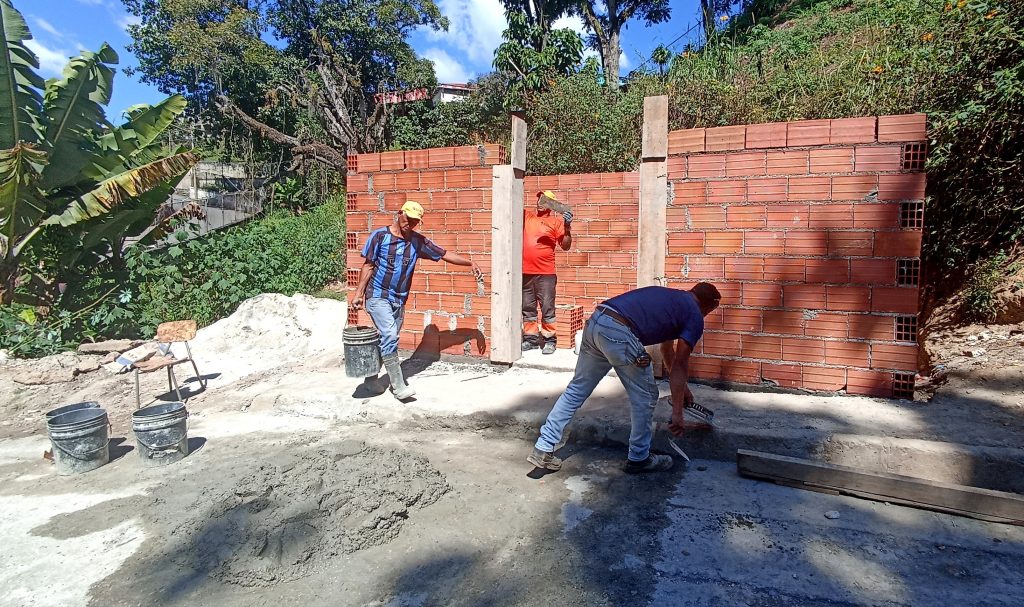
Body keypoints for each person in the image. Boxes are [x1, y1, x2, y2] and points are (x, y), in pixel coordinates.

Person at [528, 283, 722, 473]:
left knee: (576, 390)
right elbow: (681, 364)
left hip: (598, 320)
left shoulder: (673, 298)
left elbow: (666, 350)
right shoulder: (695, 315)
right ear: (710, 306)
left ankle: (543, 446)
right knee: (645, 397)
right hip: (619, 332)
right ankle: (639, 458)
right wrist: (678, 413)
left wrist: (683, 390)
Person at [351, 200, 483, 400]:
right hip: (377, 295)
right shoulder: (379, 236)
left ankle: (371, 380)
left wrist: (469, 263)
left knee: (387, 338)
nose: (410, 224)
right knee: (389, 335)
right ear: (400, 213)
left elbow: (444, 253)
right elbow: (368, 265)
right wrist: (358, 294)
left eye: (415, 221)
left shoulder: (417, 242)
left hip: (399, 300)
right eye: (408, 219)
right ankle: (398, 386)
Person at [523, 190, 573, 355]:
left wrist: (567, 227)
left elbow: (565, 246)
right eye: (539, 197)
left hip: (546, 273)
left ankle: (550, 340)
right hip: (525, 272)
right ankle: (530, 339)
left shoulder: (555, 222)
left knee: (547, 308)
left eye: (545, 199)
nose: (540, 201)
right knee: (528, 308)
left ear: (551, 204)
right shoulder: (527, 217)